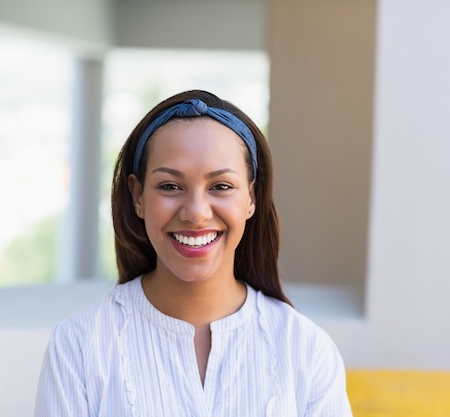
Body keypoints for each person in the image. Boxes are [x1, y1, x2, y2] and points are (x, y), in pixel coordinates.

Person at [35, 90, 353, 416]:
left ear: (251, 198)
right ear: (137, 196)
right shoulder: (78, 347)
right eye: (170, 186)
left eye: (221, 186)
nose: (196, 213)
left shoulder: (306, 350)